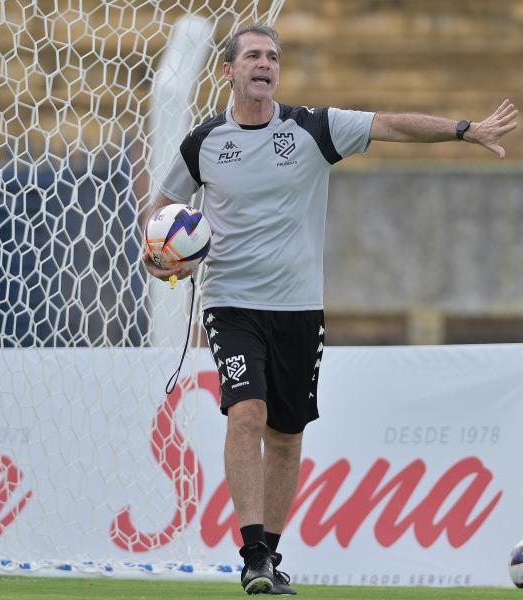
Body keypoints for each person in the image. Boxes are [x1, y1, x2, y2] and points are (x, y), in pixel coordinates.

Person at [142, 25, 516, 596]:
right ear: (230, 71)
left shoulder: (313, 129)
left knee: (287, 435)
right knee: (246, 414)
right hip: (231, 302)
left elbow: (389, 124)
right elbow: (162, 208)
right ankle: (252, 556)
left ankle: (269, 553)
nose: (264, 64)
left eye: (273, 56)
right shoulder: (204, 142)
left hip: (299, 308)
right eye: (253, 56)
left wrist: (463, 130)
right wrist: (161, 259)